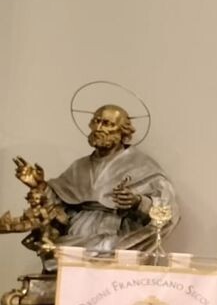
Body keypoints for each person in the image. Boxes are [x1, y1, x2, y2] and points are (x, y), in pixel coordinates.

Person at [36, 103, 180, 253]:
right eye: (96, 121)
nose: (98, 128)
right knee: (54, 250)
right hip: (75, 234)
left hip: (115, 235)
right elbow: (58, 202)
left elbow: (168, 209)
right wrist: (39, 185)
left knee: (104, 251)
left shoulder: (142, 165)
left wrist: (137, 202)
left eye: (107, 124)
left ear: (123, 131)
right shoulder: (80, 166)